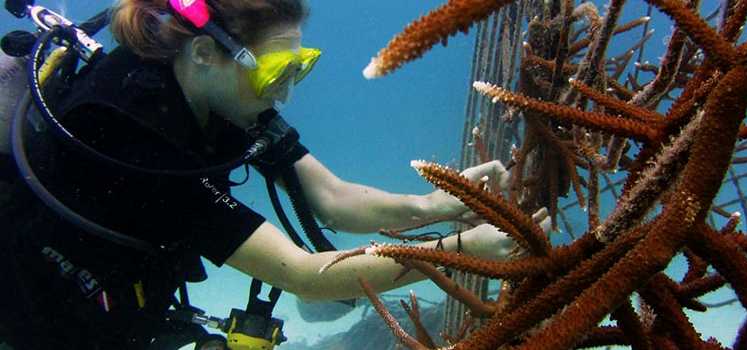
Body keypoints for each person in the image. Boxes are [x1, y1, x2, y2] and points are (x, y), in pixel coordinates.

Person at [0, 0, 548, 348]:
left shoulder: (219, 97)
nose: (285, 92)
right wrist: (456, 251)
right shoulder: (134, 142)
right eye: (274, 71)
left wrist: (445, 202)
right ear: (205, 53)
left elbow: (334, 198)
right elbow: (303, 274)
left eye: (297, 67)